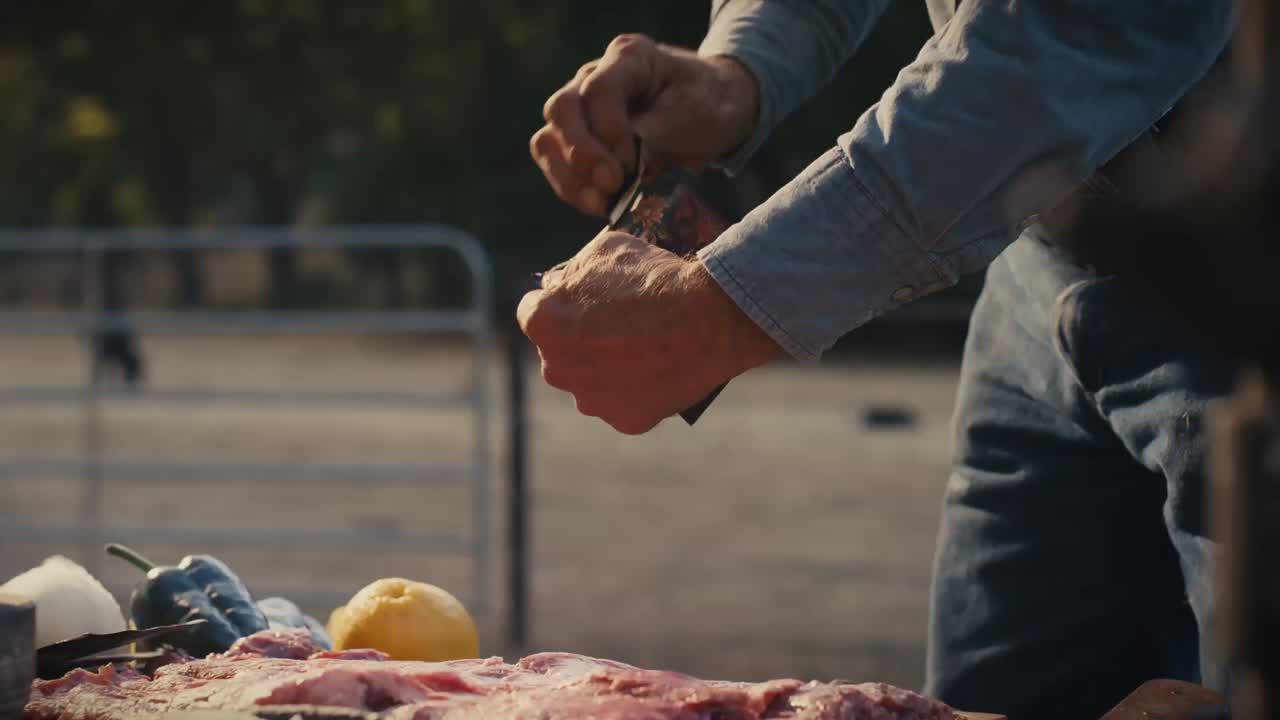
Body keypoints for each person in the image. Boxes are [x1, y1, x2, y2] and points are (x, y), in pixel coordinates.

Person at [519, 2, 1240, 718]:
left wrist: (726, 307)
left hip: (1245, 281)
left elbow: (1067, 41)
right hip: (1040, 264)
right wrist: (738, 70)